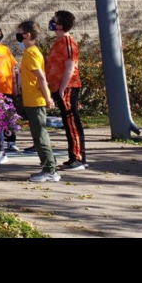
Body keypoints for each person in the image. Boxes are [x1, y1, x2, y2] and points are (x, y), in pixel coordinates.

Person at [18, 21, 60, 183]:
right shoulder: (30, 52)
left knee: (40, 135)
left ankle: (50, 170)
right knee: (37, 135)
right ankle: (49, 167)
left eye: (20, 32)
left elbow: (41, 77)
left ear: (27, 35)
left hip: (36, 100)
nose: (19, 36)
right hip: (32, 99)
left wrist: (47, 97)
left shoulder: (31, 52)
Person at [47, 10, 88, 170]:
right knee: (67, 122)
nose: (51, 21)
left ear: (60, 25)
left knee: (72, 122)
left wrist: (63, 87)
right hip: (59, 87)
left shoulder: (68, 42)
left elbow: (70, 66)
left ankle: (78, 158)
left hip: (68, 87)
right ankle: (75, 156)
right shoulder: (58, 41)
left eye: (54, 19)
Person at [0, 25, 19, 165]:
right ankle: (0, 147)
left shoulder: (5, 49)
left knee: (10, 116)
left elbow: (12, 68)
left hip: (6, 87)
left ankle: (11, 141)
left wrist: (14, 86)